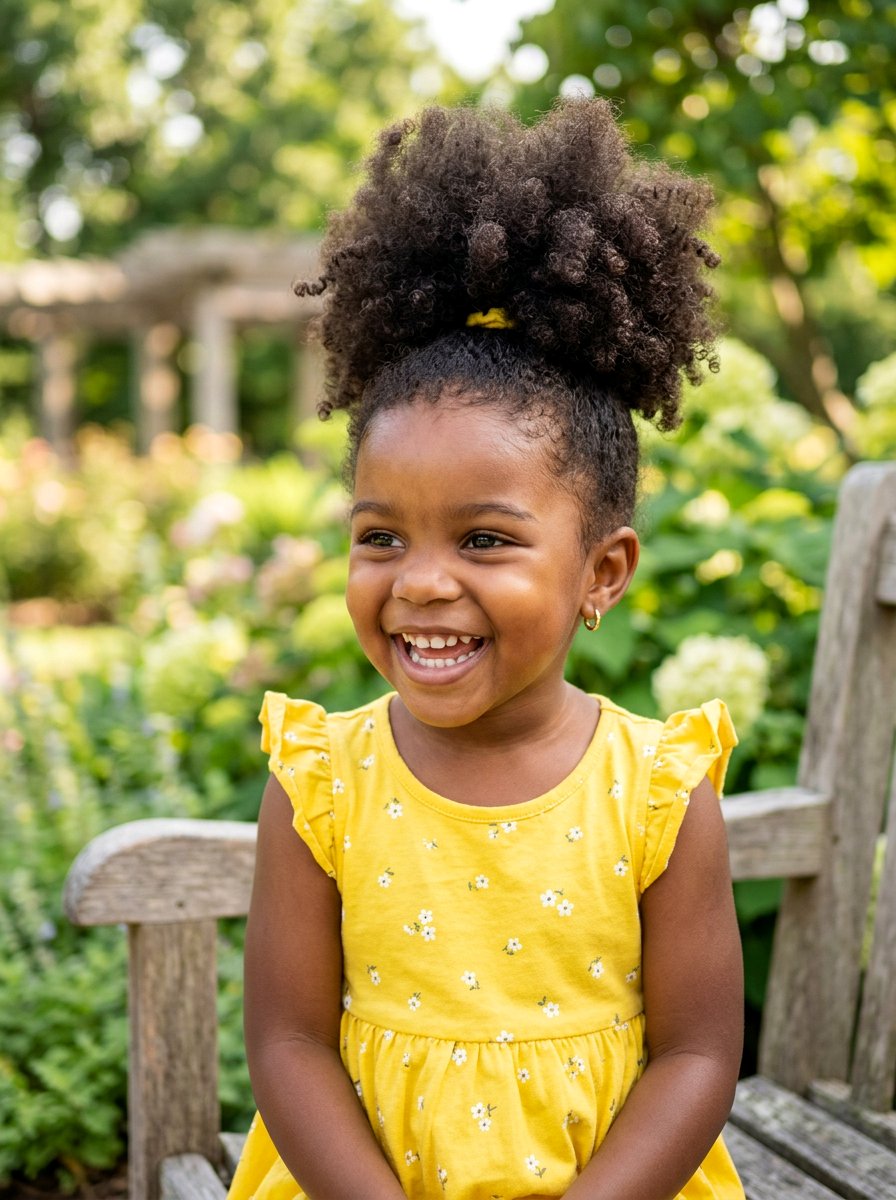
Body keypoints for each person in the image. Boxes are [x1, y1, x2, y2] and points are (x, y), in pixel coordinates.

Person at [227, 100, 745, 1200]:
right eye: (379, 537)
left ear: (601, 573)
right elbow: (288, 1045)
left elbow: (697, 1055)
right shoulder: (320, 784)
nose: (418, 581)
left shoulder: (656, 791)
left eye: (483, 539)